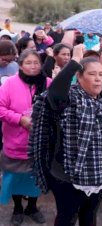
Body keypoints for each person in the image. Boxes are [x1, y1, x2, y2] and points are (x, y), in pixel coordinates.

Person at [29, 44, 102, 226]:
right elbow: (55, 91)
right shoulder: (69, 99)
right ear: (79, 77)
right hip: (68, 178)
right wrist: (74, 61)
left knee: (89, 217)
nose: (98, 79)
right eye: (92, 74)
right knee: (67, 218)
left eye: (101, 75)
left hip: (100, 174)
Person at [0, 49, 51, 225]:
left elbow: (58, 105)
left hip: (39, 144)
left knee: (35, 179)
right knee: (15, 177)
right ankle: (17, 208)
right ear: (20, 65)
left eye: (36, 63)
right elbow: (0, 108)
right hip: (15, 143)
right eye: (28, 63)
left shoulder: (48, 83)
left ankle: (32, 207)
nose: (33, 66)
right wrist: (19, 119)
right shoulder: (9, 84)